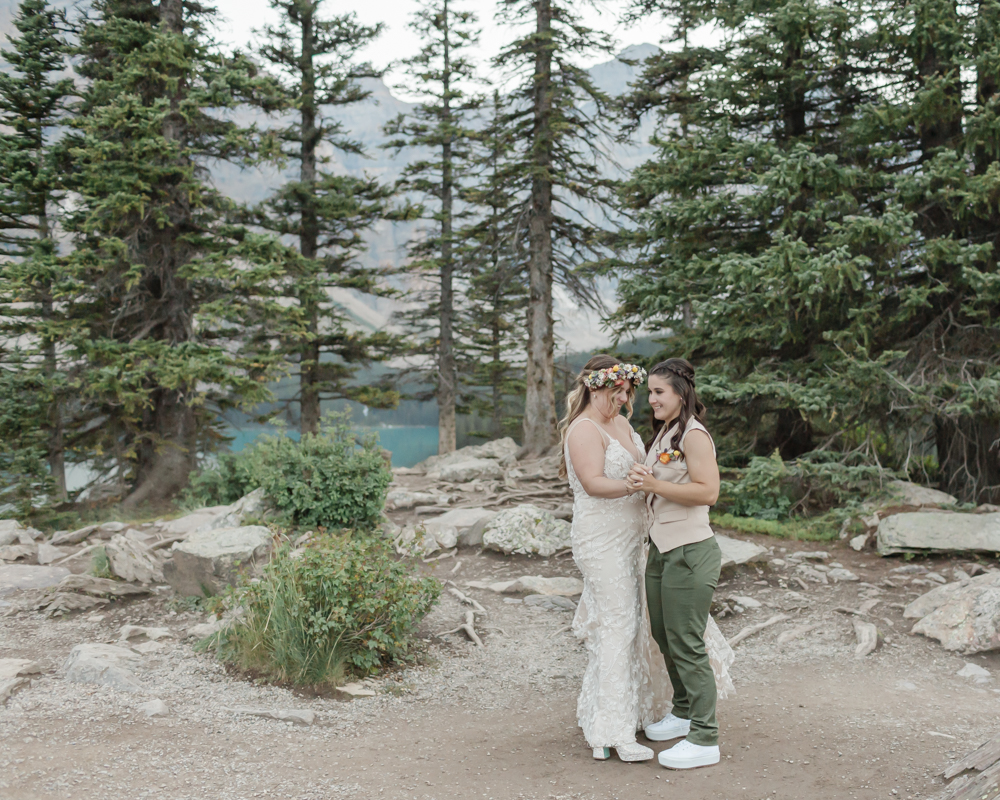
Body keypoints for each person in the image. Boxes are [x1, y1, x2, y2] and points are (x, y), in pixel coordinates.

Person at [560, 354, 670, 763]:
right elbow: (592, 483)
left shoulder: (621, 424)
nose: (624, 399)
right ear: (594, 385)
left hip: (631, 538)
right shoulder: (583, 429)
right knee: (618, 624)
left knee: (628, 624)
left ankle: (606, 718)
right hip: (600, 539)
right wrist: (634, 484)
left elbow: (640, 468)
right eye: (617, 390)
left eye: (628, 392)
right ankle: (615, 733)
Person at [627, 357, 727, 770]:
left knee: (687, 643)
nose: (650, 399)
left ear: (680, 393)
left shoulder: (696, 435)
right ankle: (683, 711)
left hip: (690, 550)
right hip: (661, 550)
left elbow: (708, 492)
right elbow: (667, 485)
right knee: (664, 637)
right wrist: (644, 478)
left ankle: (705, 738)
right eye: (649, 392)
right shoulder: (667, 432)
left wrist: (652, 483)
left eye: (658, 392)